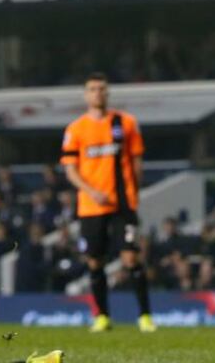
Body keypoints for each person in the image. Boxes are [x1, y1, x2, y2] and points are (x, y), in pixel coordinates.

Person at [60, 73, 155, 333]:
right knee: (94, 262)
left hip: (123, 205)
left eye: (102, 89)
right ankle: (102, 316)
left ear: (108, 92)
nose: (97, 93)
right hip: (91, 206)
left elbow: (136, 162)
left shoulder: (125, 123)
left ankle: (145, 316)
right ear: (85, 94)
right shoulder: (76, 129)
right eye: (92, 89)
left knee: (131, 257)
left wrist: (134, 194)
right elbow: (70, 170)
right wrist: (91, 191)